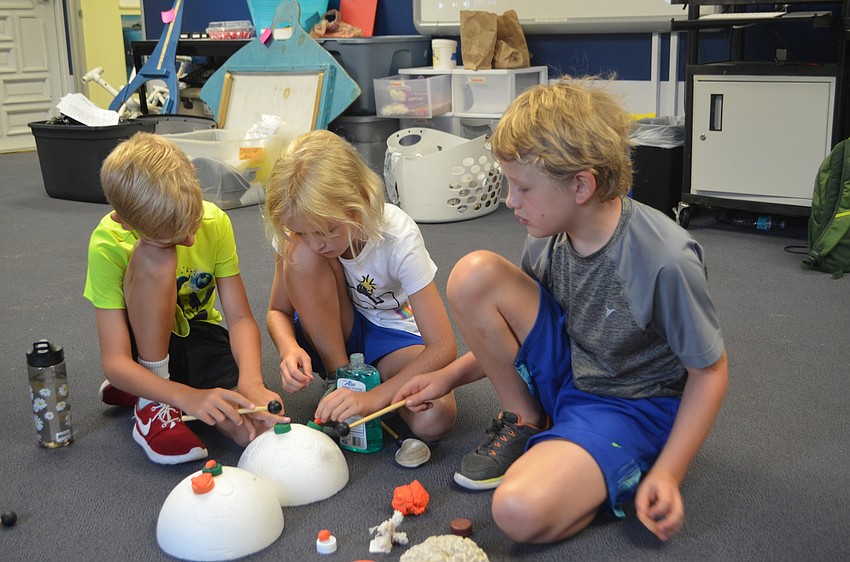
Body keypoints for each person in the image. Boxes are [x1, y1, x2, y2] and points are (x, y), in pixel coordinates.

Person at [392, 78, 729, 543]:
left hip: (627, 406)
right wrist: (446, 377)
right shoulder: (547, 236)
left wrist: (670, 473)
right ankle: (529, 420)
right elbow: (521, 337)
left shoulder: (664, 260)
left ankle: (617, 465)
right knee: (473, 274)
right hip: (571, 371)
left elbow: (709, 373)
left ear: (581, 186)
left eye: (522, 188)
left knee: (514, 511)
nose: (510, 201)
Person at [84, 132, 286, 465]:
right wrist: (185, 397)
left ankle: (143, 388)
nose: (191, 240)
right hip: (145, 347)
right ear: (124, 220)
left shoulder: (215, 220)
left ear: (193, 174)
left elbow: (239, 318)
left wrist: (250, 382)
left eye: (192, 223)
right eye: (172, 239)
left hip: (201, 336)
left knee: (248, 425)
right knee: (158, 259)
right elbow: (116, 361)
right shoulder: (107, 242)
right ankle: (153, 402)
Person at [264, 129, 457, 442]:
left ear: (360, 200)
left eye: (329, 230)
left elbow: (443, 347)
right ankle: (340, 379)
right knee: (299, 256)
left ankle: (363, 393)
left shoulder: (397, 235)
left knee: (434, 419)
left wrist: (374, 398)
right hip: (331, 330)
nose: (318, 243)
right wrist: (289, 349)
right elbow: (277, 311)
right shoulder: (297, 231)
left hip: (391, 336)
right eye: (304, 232)